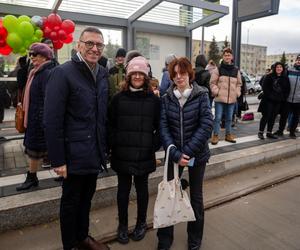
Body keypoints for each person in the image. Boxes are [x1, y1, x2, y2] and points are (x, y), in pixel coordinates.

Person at [44, 27, 110, 250]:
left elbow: (101, 115)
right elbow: (52, 120)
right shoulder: (62, 73)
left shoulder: (102, 73)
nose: (94, 48)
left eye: (99, 45)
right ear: (78, 45)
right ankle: (70, 245)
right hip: (72, 155)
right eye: (89, 43)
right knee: (71, 203)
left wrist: (104, 149)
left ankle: (83, 237)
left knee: (86, 199)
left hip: (94, 152)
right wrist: (58, 160)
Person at [157, 57, 213, 250]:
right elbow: (163, 127)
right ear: (171, 76)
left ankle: (194, 238)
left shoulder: (201, 95)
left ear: (190, 74)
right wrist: (175, 154)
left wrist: (186, 153)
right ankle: (165, 239)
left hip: (196, 156)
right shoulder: (166, 98)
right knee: (170, 195)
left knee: (196, 197)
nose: (179, 77)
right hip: (174, 156)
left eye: (183, 73)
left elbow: (206, 125)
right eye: (175, 74)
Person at [108, 56, 160, 244]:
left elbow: (159, 127)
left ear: (146, 77)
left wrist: (153, 145)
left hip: (144, 154)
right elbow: (110, 125)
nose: (137, 76)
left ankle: (140, 223)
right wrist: (114, 143)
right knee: (123, 191)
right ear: (128, 76)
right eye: (134, 73)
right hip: (122, 153)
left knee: (142, 191)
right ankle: (122, 225)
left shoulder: (153, 101)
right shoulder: (118, 99)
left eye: (141, 73)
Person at [15, 43, 56, 191]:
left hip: (39, 120)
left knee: (36, 150)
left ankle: (32, 178)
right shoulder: (36, 71)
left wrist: (41, 119)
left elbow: (48, 99)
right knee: (38, 149)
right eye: (31, 54)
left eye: (35, 55)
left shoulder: (46, 73)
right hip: (34, 117)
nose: (31, 58)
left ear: (45, 57)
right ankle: (33, 177)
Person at [210, 47, 242, 145]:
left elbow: (239, 84)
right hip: (220, 98)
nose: (227, 57)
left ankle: (228, 135)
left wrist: (237, 93)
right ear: (223, 56)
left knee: (229, 118)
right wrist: (217, 91)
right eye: (225, 55)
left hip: (231, 99)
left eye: (229, 55)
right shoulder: (218, 69)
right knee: (218, 118)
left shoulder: (236, 70)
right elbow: (212, 83)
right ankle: (215, 135)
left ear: (232, 57)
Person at [257, 62, 290, 139]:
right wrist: (270, 96)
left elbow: (287, 89)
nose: (279, 68)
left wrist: (283, 97)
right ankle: (260, 132)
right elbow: (265, 87)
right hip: (268, 100)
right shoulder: (269, 76)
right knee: (266, 116)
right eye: (277, 67)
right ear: (275, 68)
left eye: (280, 67)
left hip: (278, 101)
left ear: (283, 69)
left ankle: (269, 132)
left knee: (273, 116)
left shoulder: (285, 78)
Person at [285, 55, 300, 138]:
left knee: (296, 117)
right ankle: (280, 130)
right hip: (288, 98)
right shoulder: (289, 70)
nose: (299, 61)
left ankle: (292, 132)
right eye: (298, 59)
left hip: (298, 99)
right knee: (284, 115)